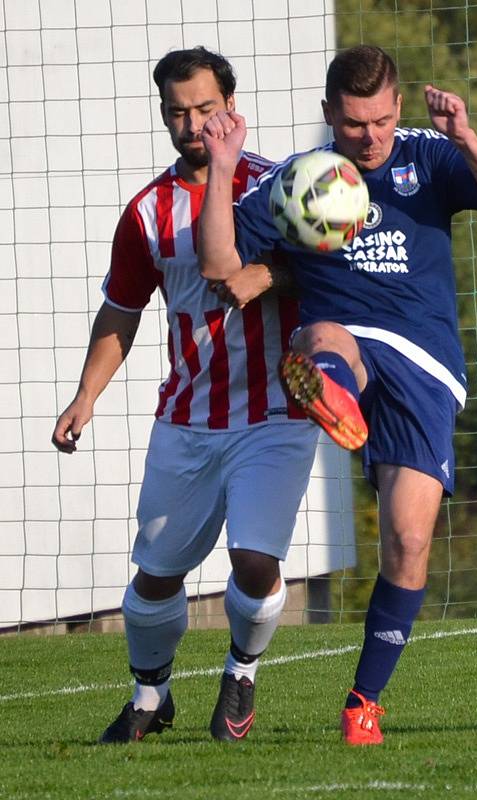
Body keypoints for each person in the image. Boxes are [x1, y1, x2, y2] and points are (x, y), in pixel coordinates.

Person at [196, 44, 477, 745]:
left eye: (378, 121)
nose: (368, 137)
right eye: (351, 124)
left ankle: (362, 703)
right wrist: (223, 168)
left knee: (408, 542)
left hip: (425, 363)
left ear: (397, 109)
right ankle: (331, 392)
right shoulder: (301, 179)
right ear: (328, 116)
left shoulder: (427, 155)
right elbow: (221, 265)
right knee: (328, 341)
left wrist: (463, 135)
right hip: (342, 335)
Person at [51, 46, 319, 744]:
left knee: (255, 558)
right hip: (188, 418)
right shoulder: (147, 211)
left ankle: (241, 673)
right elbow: (120, 309)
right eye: (178, 111)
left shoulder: (283, 189)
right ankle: (150, 694)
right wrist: (86, 396)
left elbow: (328, 275)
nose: (193, 122)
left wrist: (274, 277)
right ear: (165, 116)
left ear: (232, 107)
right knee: (156, 578)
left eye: (205, 107)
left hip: (276, 411)